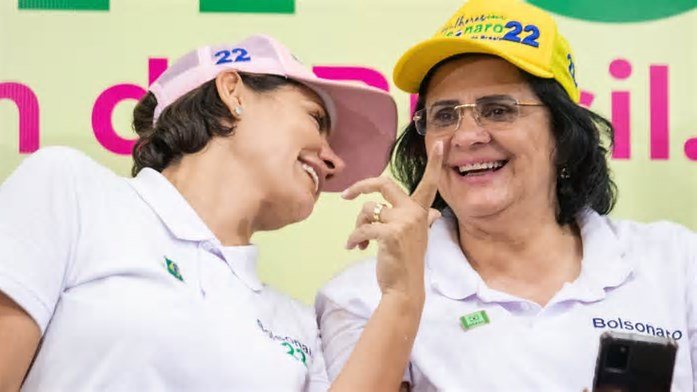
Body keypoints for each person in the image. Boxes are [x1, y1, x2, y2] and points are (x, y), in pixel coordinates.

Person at [0, 34, 442, 391]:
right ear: (233, 92)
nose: (334, 162)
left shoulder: (296, 323)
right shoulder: (73, 190)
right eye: (315, 120)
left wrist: (403, 293)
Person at [316, 0, 697, 390]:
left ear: (563, 137)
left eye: (498, 110)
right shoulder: (363, 296)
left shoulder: (677, 264)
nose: (466, 136)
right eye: (444, 116)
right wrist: (401, 299)